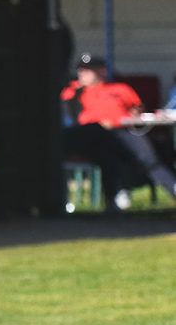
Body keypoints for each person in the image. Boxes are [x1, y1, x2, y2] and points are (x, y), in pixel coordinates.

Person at [61, 52, 176, 209]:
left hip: (122, 130)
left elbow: (137, 108)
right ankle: (117, 196)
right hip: (90, 135)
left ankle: (171, 186)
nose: (83, 74)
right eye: (81, 70)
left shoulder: (120, 89)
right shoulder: (74, 91)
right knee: (107, 151)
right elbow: (67, 109)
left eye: (88, 70)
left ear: (101, 71)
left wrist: (133, 114)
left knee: (147, 156)